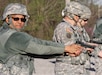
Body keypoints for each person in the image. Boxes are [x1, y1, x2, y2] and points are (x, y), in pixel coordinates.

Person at [0, 3, 83, 75]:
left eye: (23, 19)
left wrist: (65, 52)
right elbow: (39, 47)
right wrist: (66, 48)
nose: (20, 22)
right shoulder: (15, 37)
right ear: (7, 19)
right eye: (16, 18)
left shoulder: (3, 33)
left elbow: (35, 50)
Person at [53, 1, 93, 75]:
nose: (79, 18)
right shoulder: (64, 28)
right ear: (72, 15)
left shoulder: (73, 28)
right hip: (67, 69)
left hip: (76, 68)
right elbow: (72, 49)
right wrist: (86, 48)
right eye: (78, 15)